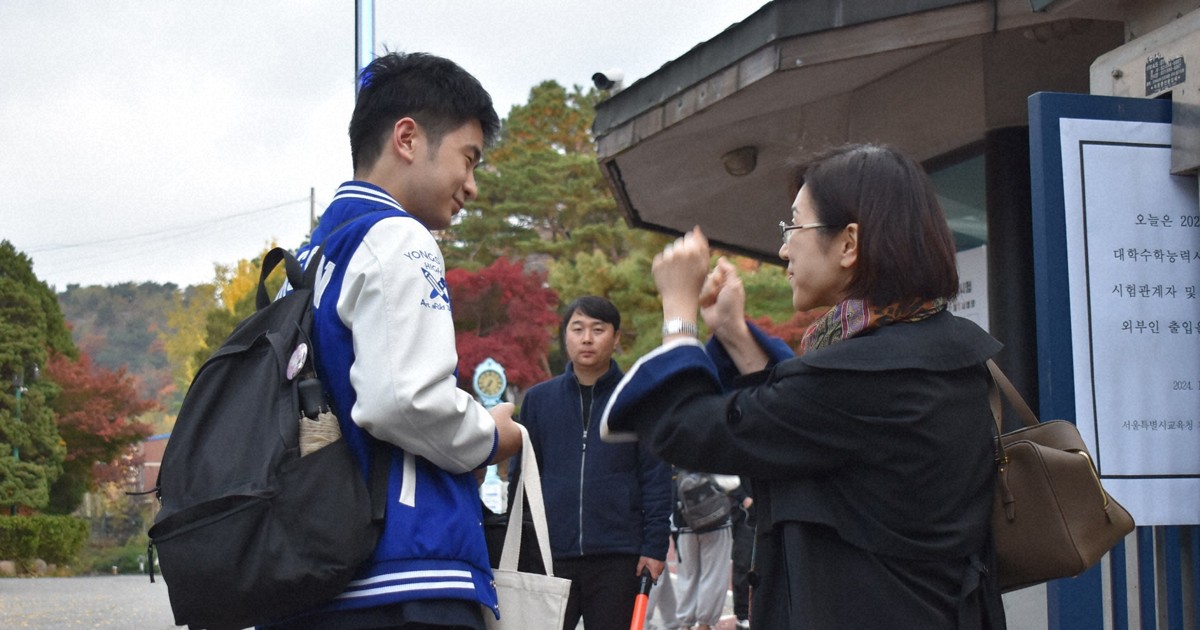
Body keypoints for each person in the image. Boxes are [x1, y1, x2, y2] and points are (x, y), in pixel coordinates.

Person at [600, 144, 1007, 629]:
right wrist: (732, 333)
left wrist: (678, 314)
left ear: (849, 243)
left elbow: (689, 429)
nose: (783, 249)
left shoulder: (865, 378)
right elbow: (793, 427)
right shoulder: (936, 351)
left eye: (794, 226)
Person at [266, 52, 522, 630]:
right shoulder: (397, 236)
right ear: (407, 138)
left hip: (308, 570)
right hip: (402, 571)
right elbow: (403, 400)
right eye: (468, 159)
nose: (472, 186)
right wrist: (489, 435)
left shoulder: (305, 261)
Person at [509, 295, 673, 630]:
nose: (587, 338)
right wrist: (522, 549)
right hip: (550, 555)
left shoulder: (639, 399)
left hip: (619, 556)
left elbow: (656, 479)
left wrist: (655, 547)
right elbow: (522, 478)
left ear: (616, 337)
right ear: (564, 336)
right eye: (578, 329)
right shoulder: (538, 401)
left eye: (598, 329)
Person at [671, 469, 737, 630]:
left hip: (684, 520)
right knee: (713, 574)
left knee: (687, 575)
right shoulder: (712, 453)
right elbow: (732, 482)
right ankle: (704, 624)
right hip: (716, 518)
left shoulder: (674, 457)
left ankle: (685, 623)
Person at [728, 477, 754, 630]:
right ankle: (742, 614)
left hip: (762, 507)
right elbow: (728, 477)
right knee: (743, 563)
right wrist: (744, 498)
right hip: (743, 513)